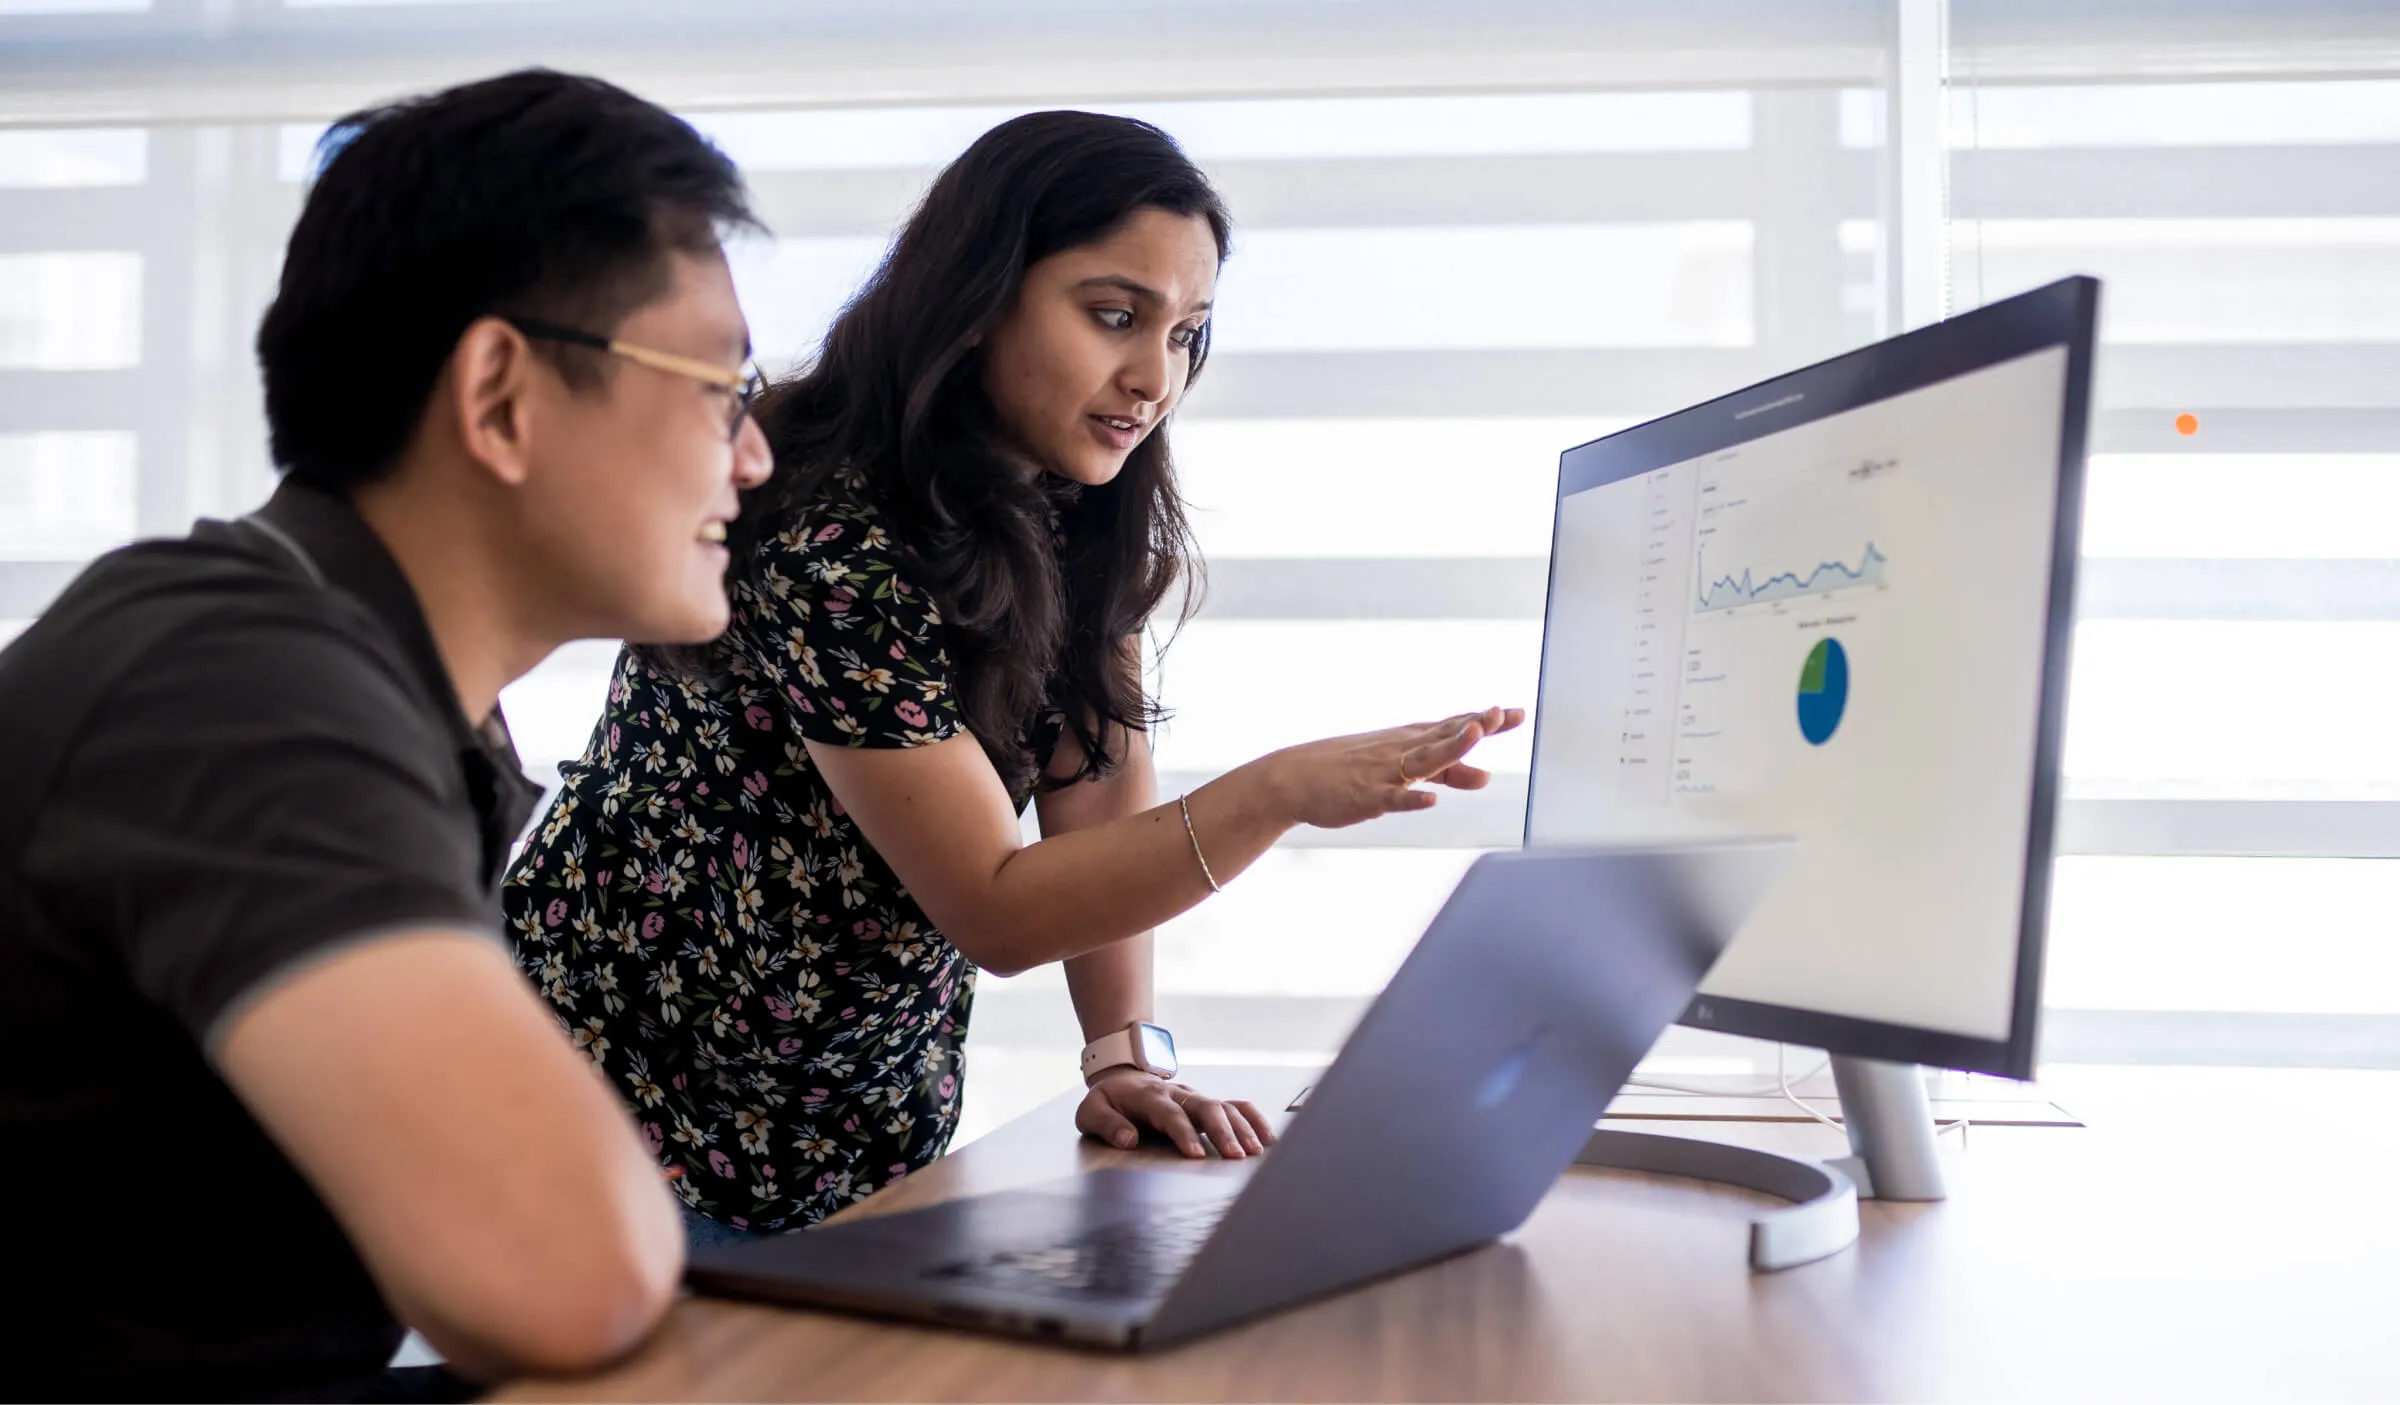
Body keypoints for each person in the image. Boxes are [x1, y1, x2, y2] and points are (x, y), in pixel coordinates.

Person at [504, 110, 1520, 1245]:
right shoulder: (823, 533)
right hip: (612, 1104)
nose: (1155, 377)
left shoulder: (1082, 506)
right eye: (1115, 315)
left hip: (855, 1123)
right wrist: (1271, 793)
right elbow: (993, 903)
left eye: (1188, 333)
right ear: (979, 296)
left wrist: (1126, 1051)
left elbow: (1096, 797)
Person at [0, 69, 773, 1398]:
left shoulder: (356, 674)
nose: (752, 457)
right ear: (500, 395)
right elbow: (560, 1265)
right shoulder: (239, 683)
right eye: (721, 387)